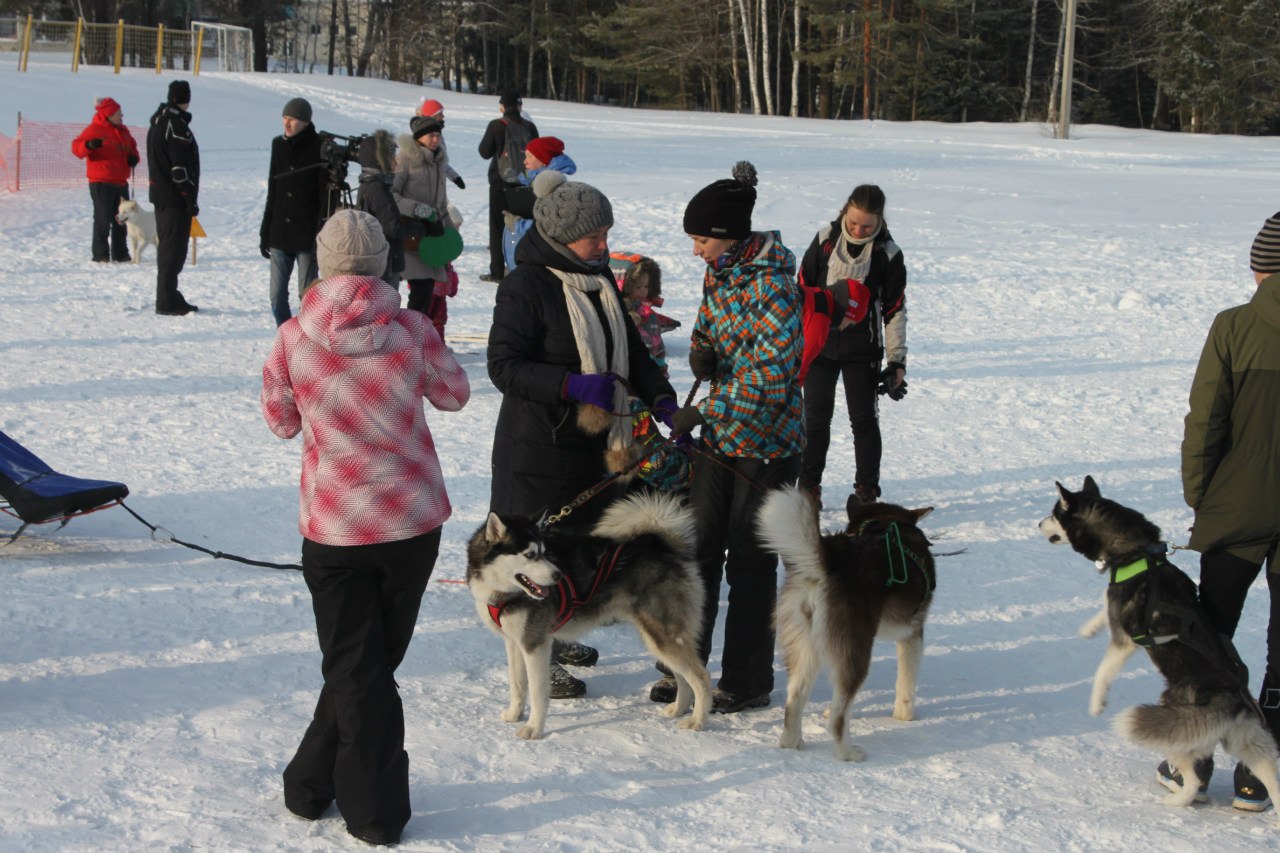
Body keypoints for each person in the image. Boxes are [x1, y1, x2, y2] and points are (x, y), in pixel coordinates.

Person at [262, 208, 470, 847]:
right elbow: (455, 393)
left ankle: (335, 795)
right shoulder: (410, 329)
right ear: (384, 265)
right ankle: (349, 800)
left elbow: (281, 420)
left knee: (361, 666)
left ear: (322, 267)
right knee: (367, 666)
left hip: (335, 525)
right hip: (409, 523)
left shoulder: (293, 336)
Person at [487, 170, 678, 698]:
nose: (604, 245)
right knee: (535, 553)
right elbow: (503, 366)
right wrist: (570, 383)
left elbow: (635, 352)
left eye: (606, 234)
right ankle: (539, 657)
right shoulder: (526, 285)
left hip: (595, 448)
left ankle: (562, 627)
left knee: (575, 552)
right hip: (537, 450)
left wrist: (661, 396)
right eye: (595, 236)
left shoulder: (600, 280)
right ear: (560, 235)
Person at [656, 161, 805, 713]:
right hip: (719, 439)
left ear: (728, 236)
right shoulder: (719, 273)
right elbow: (709, 325)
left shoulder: (775, 288)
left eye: (701, 240)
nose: (696, 250)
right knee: (696, 554)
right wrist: (702, 349)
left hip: (766, 443)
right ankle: (683, 667)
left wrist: (706, 410)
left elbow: (771, 378)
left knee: (748, 561)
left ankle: (747, 681)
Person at [1170, 211, 1280, 812]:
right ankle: (1261, 769)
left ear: (1260, 270)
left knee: (1210, 631)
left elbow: (1205, 420)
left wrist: (1201, 495)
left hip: (1235, 506)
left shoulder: (1234, 326)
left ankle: (1195, 749)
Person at [796, 184, 908, 507]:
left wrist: (897, 361)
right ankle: (809, 487)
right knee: (815, 419)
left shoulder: (888, 254)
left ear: (880, 222)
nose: (859, 230)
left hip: (863, 350)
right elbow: (801, 291)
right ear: (845, 211)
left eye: (868, 226)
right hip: (820, 345)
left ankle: (867, 491)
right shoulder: (825, 240)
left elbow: (895, 309)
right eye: (854, 222)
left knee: (864, 420)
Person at [259, 97, 329, 326]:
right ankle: (286, 337)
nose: (287, 124)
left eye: (293, 119)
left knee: (308, 296)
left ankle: (307, 338)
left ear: (305, 122)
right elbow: (273, 190)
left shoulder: (320, 147)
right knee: (276, 296)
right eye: (285, 118)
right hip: (279, 232)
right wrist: (265, 231)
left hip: (307, 236)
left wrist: (320, 232)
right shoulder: (278, 145)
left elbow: (324, 195)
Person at [393, 114, 463, 337]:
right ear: (419, 137)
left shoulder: (439, 162)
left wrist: (449, 230)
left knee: (427, 292)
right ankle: (408, 340)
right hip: (412, 236)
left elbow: (440, 202)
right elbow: (392, 195)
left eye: (438, 135)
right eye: (431, 135)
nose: (435, 139)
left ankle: (416, 339)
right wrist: (419, 210)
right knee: (421, 290)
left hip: (434, 236)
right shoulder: (405, 160)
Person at [147, 79, 199, 316]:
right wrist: (188, 197)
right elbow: (179, 168)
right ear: (185, 99)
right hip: (174, 198)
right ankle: (166, 300)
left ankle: (170, 295)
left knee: (169, 249)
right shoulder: (175, 126)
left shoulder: (158, 121)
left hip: (161, 196)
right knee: (173, 251)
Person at [477, 90, 538, 282]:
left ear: (502, 107)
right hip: (526, 183)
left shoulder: (496, 125)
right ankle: (526, 266)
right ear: (520, 106)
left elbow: (484, 152)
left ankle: (497, 271)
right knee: (524, 224)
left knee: (498, 226)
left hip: (500, 183)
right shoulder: (530, 127)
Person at [71, 96, 139, 263]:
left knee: (121, 219)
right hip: (101, 183)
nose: (122, 116)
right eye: (119, 113)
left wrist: (134, 158)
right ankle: (101, 255)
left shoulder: (123, 131)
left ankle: (120, 254)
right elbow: (76, 149)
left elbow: (133, 148)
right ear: (109, 114)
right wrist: (88, 146)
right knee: (103, 219)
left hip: (121, 182)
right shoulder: (95, 129)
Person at [502, 135, 575, 272]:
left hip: (540, 261)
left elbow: (551, 226)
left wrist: (518, 224)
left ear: (543, 160)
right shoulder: (535, 182)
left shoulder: (552, 185)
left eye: (529, 156)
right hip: (532, 255)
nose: (525, 162)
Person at [355, 129, 415, 288]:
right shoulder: (378, 189)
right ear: (379, 161)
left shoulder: (367, 184)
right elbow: (393, 228)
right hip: (385, 264)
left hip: (378, 261)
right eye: (391, 158)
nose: (396, 163)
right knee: (386, 309)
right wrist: (420, 227)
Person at [415, 98, 465, 190]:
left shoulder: (437, 134)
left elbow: (440, 160)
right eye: (440, 113)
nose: (443, 116)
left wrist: (454, 176)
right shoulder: (425, 137)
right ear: (432, 116)